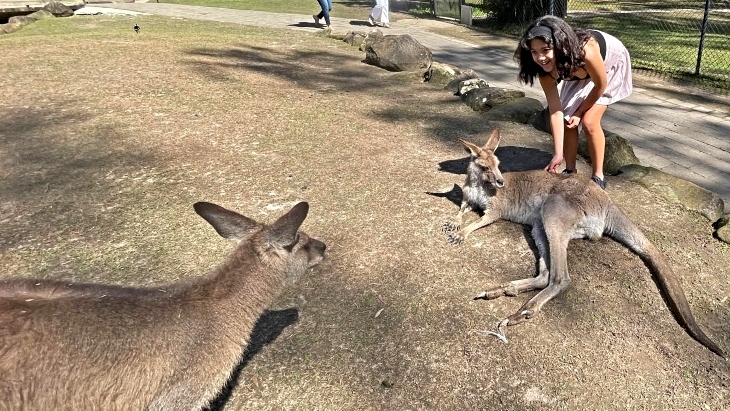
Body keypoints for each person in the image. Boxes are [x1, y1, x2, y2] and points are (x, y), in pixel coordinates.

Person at [514, 15, 632, 190]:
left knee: (589, 121)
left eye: (545, 50)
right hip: (572, 68)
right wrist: (557, 154)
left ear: (559, 45)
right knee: (567, 120)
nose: (540, 58)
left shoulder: (587, 51)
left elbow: (600, 85)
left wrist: (580, 111)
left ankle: (598, 176)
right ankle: (570, 170)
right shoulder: (544, 71)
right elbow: (555, 111)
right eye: (534, 52)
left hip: (607, 64)